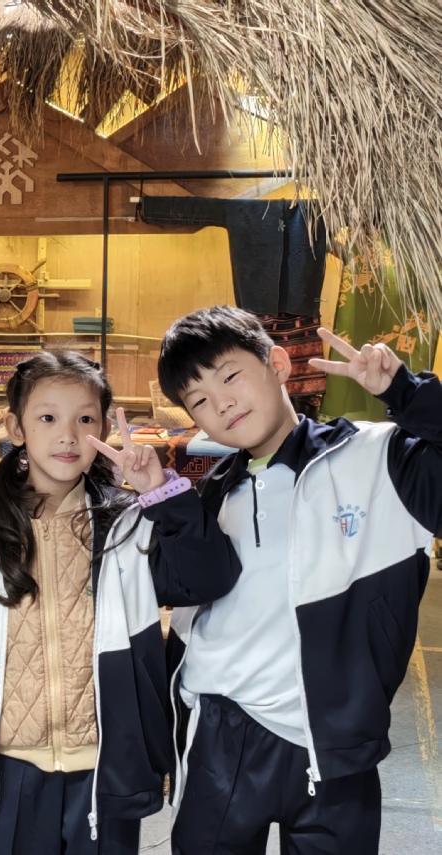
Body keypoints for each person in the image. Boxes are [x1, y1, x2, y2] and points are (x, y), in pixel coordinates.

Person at [0, 350, 241, 855]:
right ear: (17, 427)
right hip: (9, 770)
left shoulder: (130, 523)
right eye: (48, 418)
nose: (68, 435)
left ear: (104, 430)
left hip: (106, 767)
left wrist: (163, 493)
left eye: (85, 419)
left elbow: (207, 580)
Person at [158, 306, 441, 854]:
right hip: (222, 730)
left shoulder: (377, 457)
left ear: (279, 364)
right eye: (199, 400)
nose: (222, 403)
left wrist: (406, 393)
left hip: (340, 741)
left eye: (231, 376)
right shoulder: (210, 495)